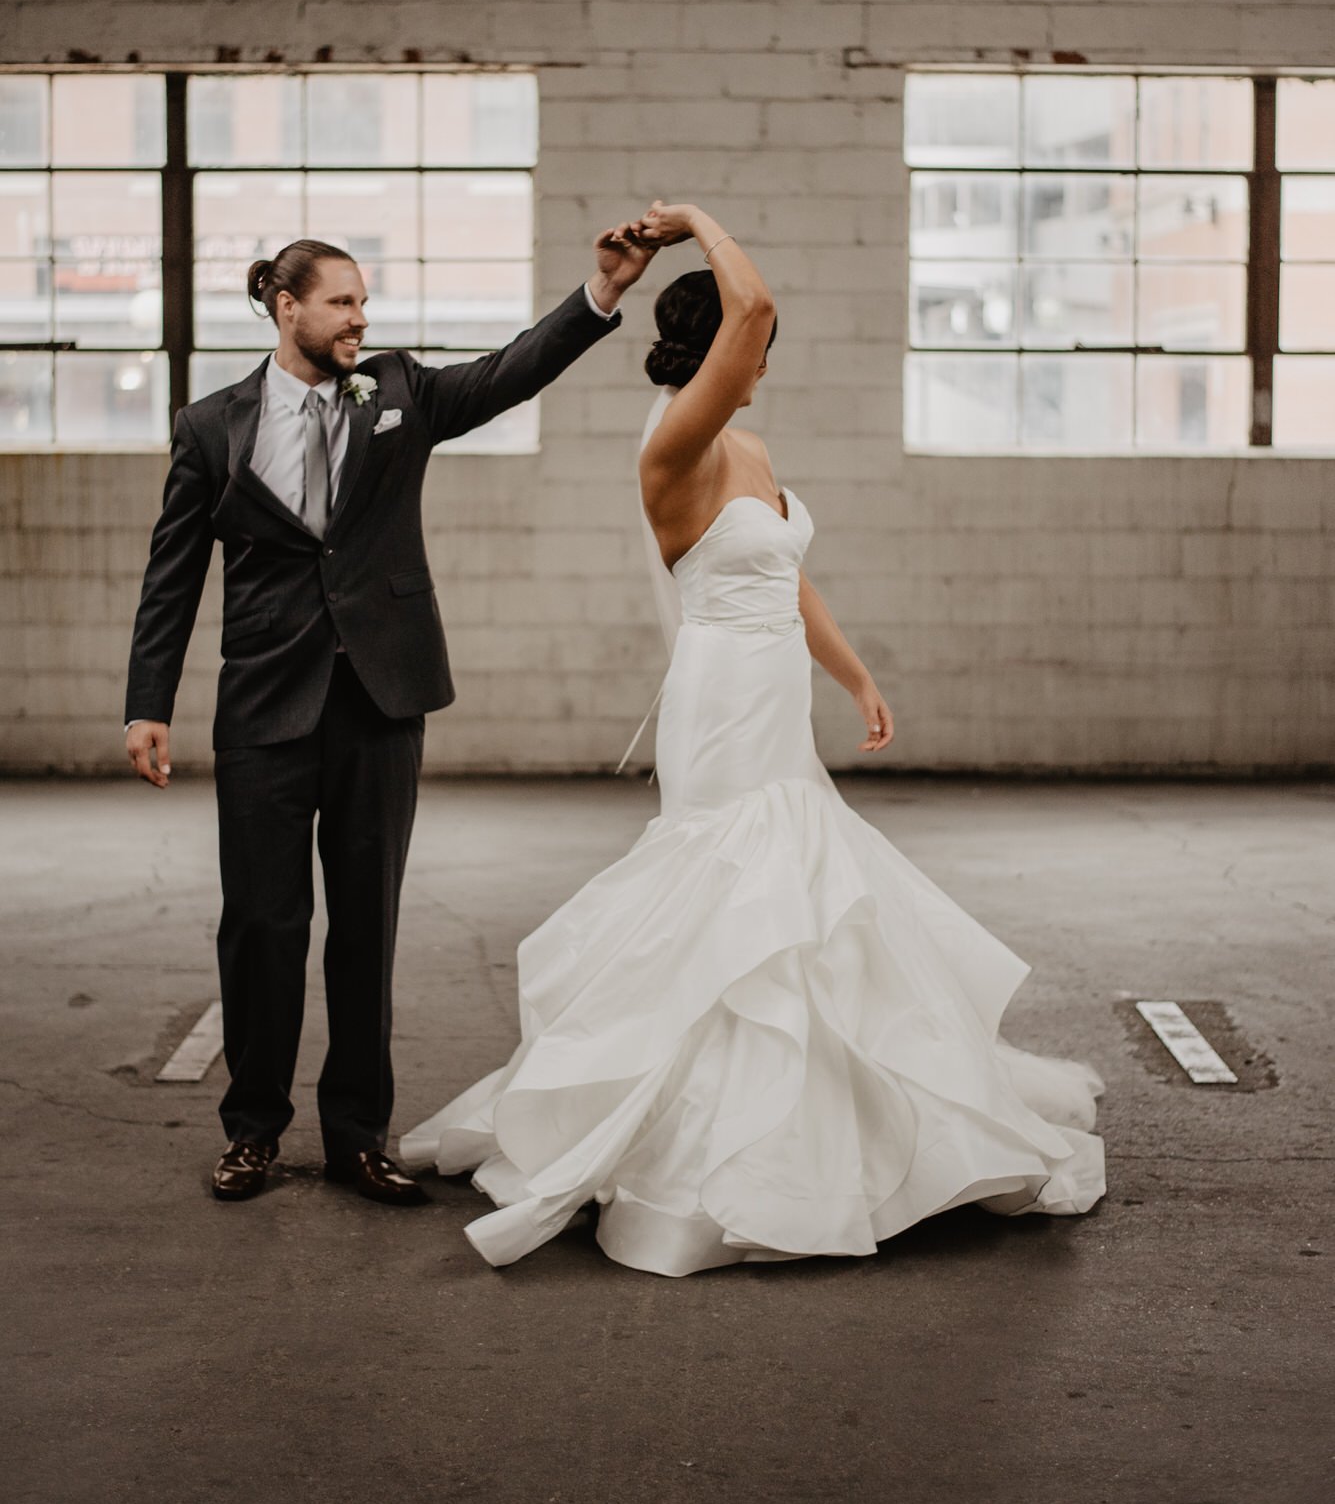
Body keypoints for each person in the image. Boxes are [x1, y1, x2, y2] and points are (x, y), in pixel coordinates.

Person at [401, 202, 1106, 1275]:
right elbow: (757, 300)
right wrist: (693, 221)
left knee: (804, 893)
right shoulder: (674, 443)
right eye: (755, 351)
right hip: (720, 701)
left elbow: (789, 572)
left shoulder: (750, 443)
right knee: (736, 890)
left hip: (777, 691)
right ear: (725, 346)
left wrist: (857, 674)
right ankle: (701, 1139)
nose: (764, 363)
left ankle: (830, 1113)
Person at [124, 227, 658, 1205]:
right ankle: (251, 1131)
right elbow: (171, 577)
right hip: (262, 707)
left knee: (365, 923)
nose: (360, 319)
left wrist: (601, 292)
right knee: (262, 925)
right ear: (286, 307)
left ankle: (358, 1135)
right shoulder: (211, 427)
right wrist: (146, 705)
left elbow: (507, 374)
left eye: (364, 303)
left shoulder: (400, 391)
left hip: (380, 699)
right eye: (341, 302)